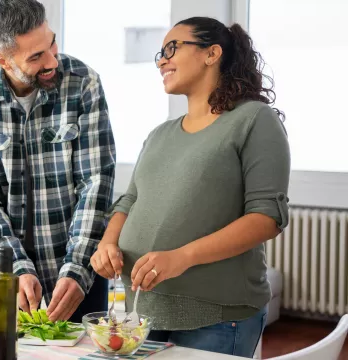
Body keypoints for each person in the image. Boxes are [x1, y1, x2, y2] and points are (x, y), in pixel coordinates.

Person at [90, 16, 290, 358]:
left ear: (212, 53)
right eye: (160, 54)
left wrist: (182, 257)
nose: (162, 60)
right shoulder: (159, 134)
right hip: (142, 313)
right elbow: (129, 200)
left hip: (215, 316)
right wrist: (107, 244)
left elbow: (266, 218)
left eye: (172, 48)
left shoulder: (254, 120)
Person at [0, 0, 116, 323]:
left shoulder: (83, 82)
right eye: (36, 56)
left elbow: (96, 183)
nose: (53, 60)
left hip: (80, 273)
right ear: (3, 60)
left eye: (51, 43)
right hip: (7, 273)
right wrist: (15, 269)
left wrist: (77, 269)